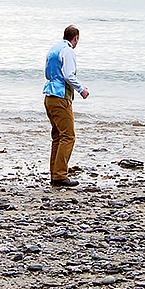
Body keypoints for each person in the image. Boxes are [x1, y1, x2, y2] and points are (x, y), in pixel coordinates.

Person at [43, 25, 89, 187]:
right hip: (60, 97)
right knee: (68, 136)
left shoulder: (54, 49)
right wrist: (81, 89)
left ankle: (55, 173)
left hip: (49, 96)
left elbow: (48, 73)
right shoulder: (68, 51)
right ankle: (60, 175)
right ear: (76, 38)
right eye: (78, 39)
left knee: (58, 137)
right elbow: (69, 75)